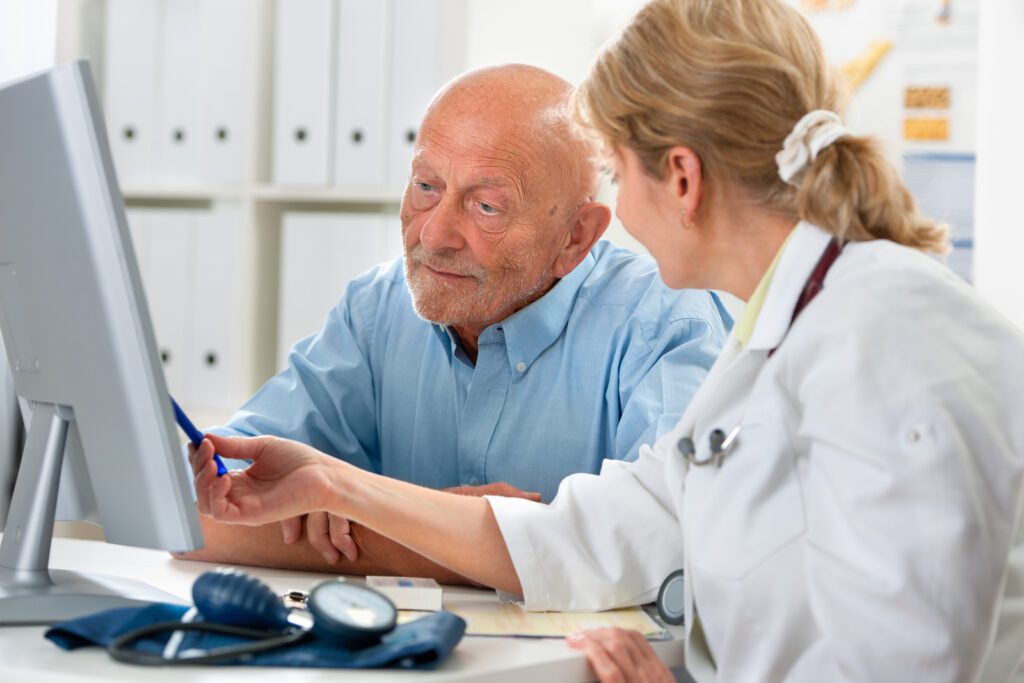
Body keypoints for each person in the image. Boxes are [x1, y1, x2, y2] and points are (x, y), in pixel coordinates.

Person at [191, 0, 1024, 679]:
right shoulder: (777, 336)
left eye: (619, 172)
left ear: (683, 180)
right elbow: (590, 535)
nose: (616, 213)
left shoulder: (890, 336)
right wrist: (333, 483)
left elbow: (904, 663)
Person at [181, 63, 731, 584]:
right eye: (426, 186)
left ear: (576, 237)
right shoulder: (377, 308)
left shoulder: (668, 323)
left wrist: (350, 512)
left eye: (486, 206)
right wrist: (457, 530)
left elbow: (663, 549)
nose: (434, 235)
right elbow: (198, 510)